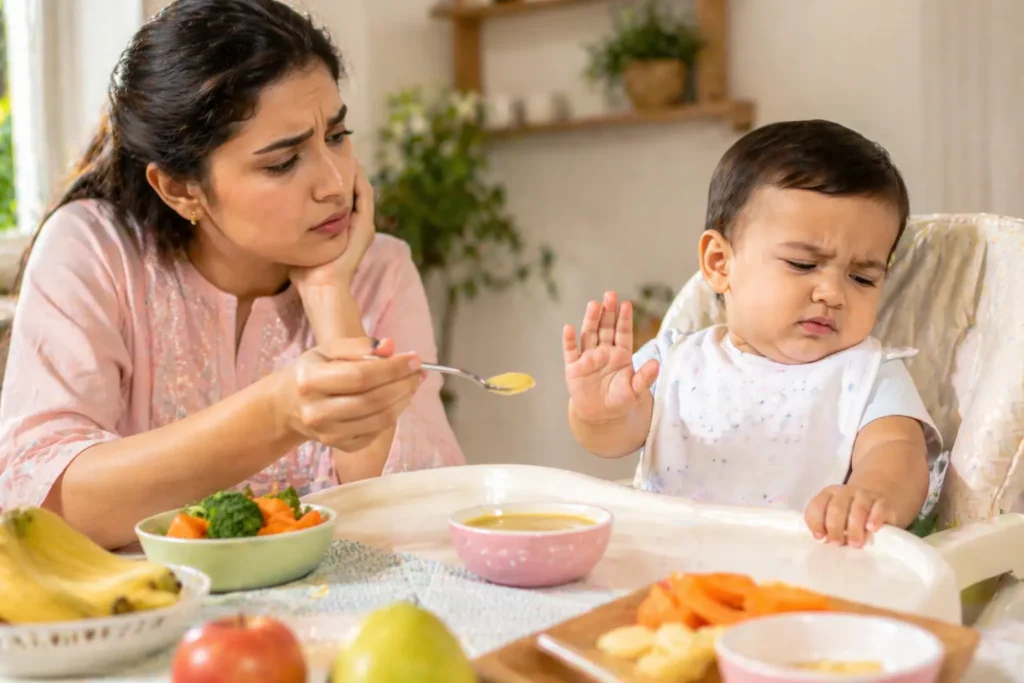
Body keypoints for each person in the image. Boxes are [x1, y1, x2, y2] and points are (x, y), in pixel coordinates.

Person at [0, 0, 464, 549]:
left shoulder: (379, 269)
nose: (336, 183)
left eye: (337, 136)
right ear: (179, 188)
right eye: (283, 162)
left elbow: (418, 512)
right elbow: (42, 505)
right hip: (142, 601)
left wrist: (329, 295)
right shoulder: (97, 250)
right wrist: (279, 411)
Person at [563, 120, 939, 548]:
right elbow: (613, 439)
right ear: (720, 263)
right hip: (667, 562)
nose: (833, 293)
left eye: (862, 278)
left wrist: (872, 494)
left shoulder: (868, 374)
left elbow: (899, 454)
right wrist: (601, 414)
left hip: (801, 572)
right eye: (803, 265)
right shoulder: (673, 361)